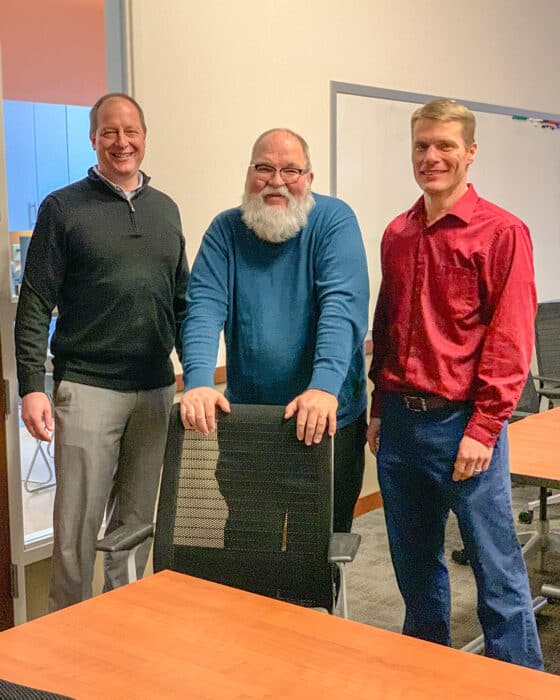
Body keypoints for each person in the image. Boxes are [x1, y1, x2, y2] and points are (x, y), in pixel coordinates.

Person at [367, 98, 543, 669]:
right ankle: (429, 676)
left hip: (462, 426)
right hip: (400, 425)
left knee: (497, 575)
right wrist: (378, 407)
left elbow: (511, 338)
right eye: (422, 145)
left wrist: (485, 428)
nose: (432, 157)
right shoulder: (398, 233)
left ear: (470, 152)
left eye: (445, 145)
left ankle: (519, 683)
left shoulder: (502, 232)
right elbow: (387, 325)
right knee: (416, 573)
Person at [15, 93, 189, 611]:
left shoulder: (166, 210)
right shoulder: (63, 208)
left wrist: (197, 375)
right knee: (76, 530)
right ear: (93, 139)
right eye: (109, 132)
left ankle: (124, 627)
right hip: (88, 388)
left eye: (130, 131)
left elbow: (182, 302)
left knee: (135, 527)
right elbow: (34, 302)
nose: (121, 142)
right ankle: (67, 637)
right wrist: (31, 387)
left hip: (155, 390)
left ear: (144, 136)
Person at [180, 128, 369, 541]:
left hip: (324, 421)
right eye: (264, 168)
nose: (276, 181)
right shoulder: (225, 230)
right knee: (249, 544)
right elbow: (204, 307)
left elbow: (342, 308)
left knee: (315, 551)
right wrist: (197, 381)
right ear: (249, 173)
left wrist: (323, 387)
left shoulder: (334, 222)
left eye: (290, 170)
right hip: (251, 422)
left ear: (309, 178)